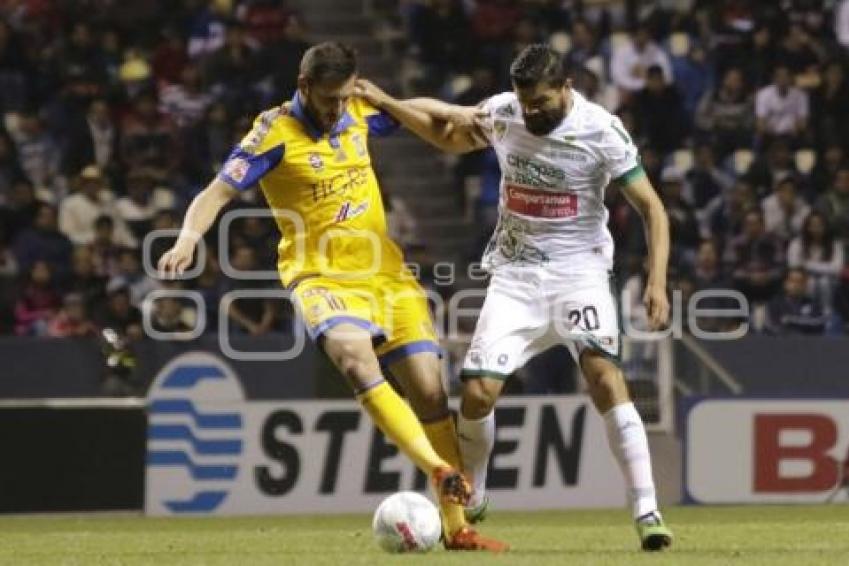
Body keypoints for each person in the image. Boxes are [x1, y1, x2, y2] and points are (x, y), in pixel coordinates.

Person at [157, 42, 505, 552]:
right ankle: (439, 469)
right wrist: (189, 236)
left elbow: (417, 110)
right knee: (353, 356)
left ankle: (459, 529)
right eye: (328, 100)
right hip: (319, 276)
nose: (337, 108)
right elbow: (215, 193)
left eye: (344, 97)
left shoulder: (358, 109)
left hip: (385, 276)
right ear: (303, 87)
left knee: (431, 392)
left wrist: (457, 111)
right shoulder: (272, 132)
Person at [356, 44, 674, 551]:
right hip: (516, 276)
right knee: (478, 392)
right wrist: (387, 101)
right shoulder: (507, 111)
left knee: (603, 376)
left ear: (566, 87)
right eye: (527, 103)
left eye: (542, 102)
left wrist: (656, 282)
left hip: (580, 274)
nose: (532, 112)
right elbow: (448, 129)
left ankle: (647, 511)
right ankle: (476, 491)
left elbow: (653, 209)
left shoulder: (601, 129)